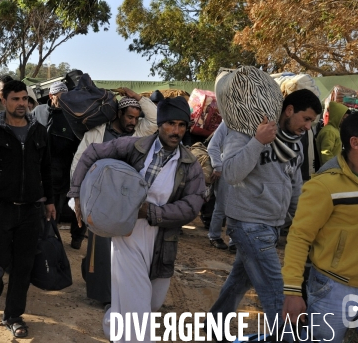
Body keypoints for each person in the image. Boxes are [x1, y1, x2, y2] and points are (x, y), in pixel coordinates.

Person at [68, 96, 206, 343]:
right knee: (138, 303)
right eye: (170, 124)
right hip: (128, 234)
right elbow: (92, 153)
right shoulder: (135, 146)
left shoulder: (190, 165)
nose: (176, 131)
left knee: (150, 303)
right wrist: (77, 194)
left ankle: (114, 323)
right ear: (160, 124)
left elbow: (191, 206)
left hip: (163, 237)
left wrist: (152, 213)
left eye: (181, 125)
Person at [208, 89, 322, 336]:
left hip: (271, 225)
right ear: (289, 110)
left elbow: (294, 188)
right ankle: (286, 338)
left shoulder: (295, 145)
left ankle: (214, 324)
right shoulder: (247, 131)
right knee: (276, 293)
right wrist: (258, 141)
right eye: (306, 118)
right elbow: (231, 174)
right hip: (248, 224)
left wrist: (305, 223)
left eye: (312, 121)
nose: (308, 126)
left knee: (239, 280)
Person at [0, 80, 55, 338]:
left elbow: (46, 170)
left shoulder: (38, 131)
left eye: (24, 99)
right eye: (15, 99)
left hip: (31, 210)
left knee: (24, 264)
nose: (21, 104)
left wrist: (49, 200)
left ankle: (14, 315)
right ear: (4, 100)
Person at [282, 111, 358, 341]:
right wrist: (292, 290)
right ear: (355, 143)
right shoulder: (326, 184)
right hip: (333, 288)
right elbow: (300, 236)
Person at [69, 87, 157, 305]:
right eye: (129, 117)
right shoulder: (96, 133)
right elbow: (78, 162)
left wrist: (138, 97)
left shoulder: (138, 133)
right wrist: (78, 195)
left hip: (124, 201)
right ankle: (101, 294)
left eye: (137, 118)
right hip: (98, 197)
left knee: (120, 247)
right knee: (98, 246)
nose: (133, 122)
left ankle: (114, 292)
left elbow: (155, 118)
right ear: (118, 113)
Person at [32, 81, 84, 248]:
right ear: (51, 96)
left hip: (61, 174)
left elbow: (78, 149)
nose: (64, 102)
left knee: (55, 209)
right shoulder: (37, 112)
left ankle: (51, 245)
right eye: (60, 99)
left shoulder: (72, 118)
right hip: (37, 171)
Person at [206, 120, 234, 252]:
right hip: (226, 170)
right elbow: (213, 146)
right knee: (222, 206)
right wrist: (217, 166)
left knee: (238, 207)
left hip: (244, 171)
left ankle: (235, 240)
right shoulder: (228, 123)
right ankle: (214, 236)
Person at [316, 101, 350, 166]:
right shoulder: (329, 131)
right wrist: (332, 169)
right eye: (344, 118)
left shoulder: (335, 130)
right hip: (329, 170)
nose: (345, 121)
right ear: (338, 117)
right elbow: (326, 153)